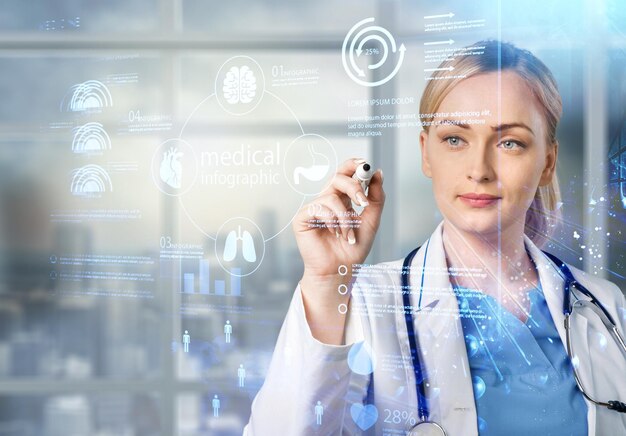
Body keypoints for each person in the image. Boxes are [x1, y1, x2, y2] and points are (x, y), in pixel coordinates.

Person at [244, 40, 626, 435]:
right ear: (426, 153)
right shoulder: (364, 302)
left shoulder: (604, 308)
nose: (479, 170)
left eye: (509, 142)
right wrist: (326, 282)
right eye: (455, 140)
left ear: (547, 162)